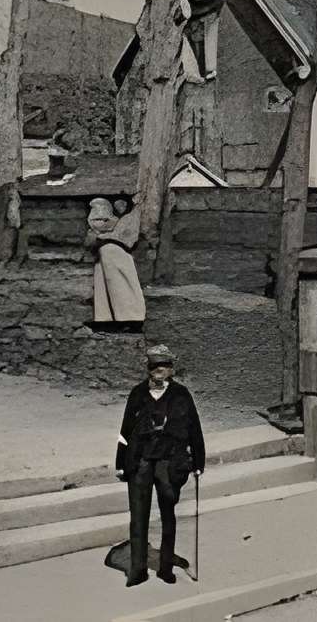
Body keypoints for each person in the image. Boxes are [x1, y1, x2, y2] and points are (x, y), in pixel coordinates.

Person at [114, 344, 204, 587]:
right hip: (140, 461)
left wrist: (198, 461)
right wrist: (120, 463)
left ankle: (165, 568)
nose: (158, 370)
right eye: (154, 366)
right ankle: (137, 570)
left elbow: (194, 429)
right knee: (138, 517)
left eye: (163, 366)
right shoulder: (137, 394)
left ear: (171, 369)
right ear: (148, 369)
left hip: (169, 462)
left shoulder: (181, 395)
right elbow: (125, 430)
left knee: (168, 516)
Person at [87, 196, 146, 331]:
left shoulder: (133, 214)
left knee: (119, 275)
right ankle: (105, 319)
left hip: (119, 251)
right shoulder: (111, 215)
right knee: (101, 272)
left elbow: (127, 237)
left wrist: (101, 238)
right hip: (107, 251)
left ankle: (131, 318)